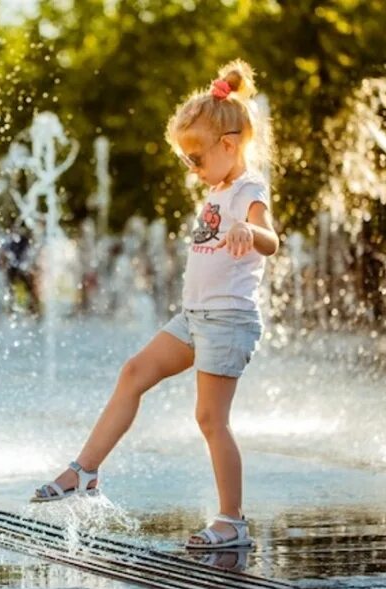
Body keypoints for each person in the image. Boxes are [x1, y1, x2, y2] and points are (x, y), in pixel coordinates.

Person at [30, 59, 279, 551]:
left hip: (228, 320)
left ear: (228, 145)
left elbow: (270, 239)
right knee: (133, 373)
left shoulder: (249, 188)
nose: (191, 167)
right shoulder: (217, 188)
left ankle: (232, 521)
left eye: (196, 156)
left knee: (210, 420)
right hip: (194, 317)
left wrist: (249, 230)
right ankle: (84, 471)